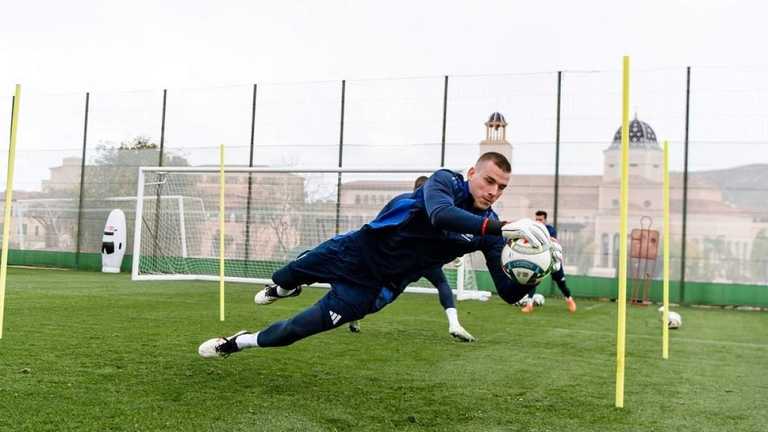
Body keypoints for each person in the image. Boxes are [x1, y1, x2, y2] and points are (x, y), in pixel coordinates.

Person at [198, 152, 555, 359]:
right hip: (353, 250)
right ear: (473, 172)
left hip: (373, 287)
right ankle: (285, 288)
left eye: (502, 187)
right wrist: (502, 227)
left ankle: (237, 342)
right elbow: (440, 215)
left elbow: (509, 294)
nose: (493, 192)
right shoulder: (444, 181)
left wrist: (538, 268)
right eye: (489, 181)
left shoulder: (491, 230)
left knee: (295, 330)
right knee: (285, 275)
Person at [347, 175, 475, 342]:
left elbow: (379, 222)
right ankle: (454, 324)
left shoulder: (402, 200)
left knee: (380, 292)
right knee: (441, 283)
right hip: (421, 260)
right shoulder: (435, 204)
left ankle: (353, 311)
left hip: (399, 259)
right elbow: (449, 231)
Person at [519, 210, 576, 313]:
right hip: (539, 261)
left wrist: (542, 239)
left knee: (561, 283)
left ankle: (569, 300)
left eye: (540, 219)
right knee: (532, 281)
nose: (538, 221)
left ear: (545, 220)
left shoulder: (551, 230)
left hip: (553, 261)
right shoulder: (532, 230)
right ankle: (529, 304)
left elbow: (552, 241)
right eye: (536, 219)